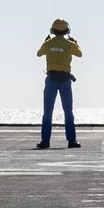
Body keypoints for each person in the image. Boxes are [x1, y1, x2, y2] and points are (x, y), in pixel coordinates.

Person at [36, 18, 81, 150]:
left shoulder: (48, 43)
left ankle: (45, 141)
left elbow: (39, 53)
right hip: (65, 80)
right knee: (68, 111)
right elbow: (79, 53)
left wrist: (45, 41)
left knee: (48, 112)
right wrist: (75, 42)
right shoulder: (69, 44)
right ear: (66, 31)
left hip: (51, 79)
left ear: (53, 30)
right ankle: (72, 141)